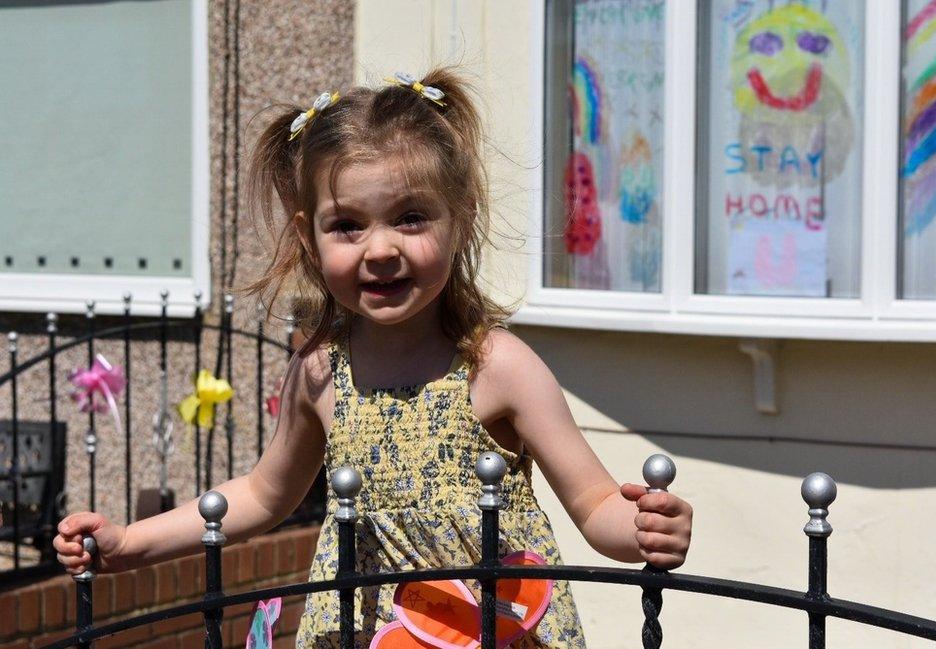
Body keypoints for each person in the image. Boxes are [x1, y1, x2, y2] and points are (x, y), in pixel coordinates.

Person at [54, 68, 692, 648]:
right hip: (356, 630)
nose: (379, 249)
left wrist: (641, 529)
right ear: (309, 236)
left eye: (410, 218)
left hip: (487, 631)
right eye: (348, 225)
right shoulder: (319, 371)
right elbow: (260, 494)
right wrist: (131, 544)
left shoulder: (498, 365)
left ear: (460, 219)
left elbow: (593, 504)